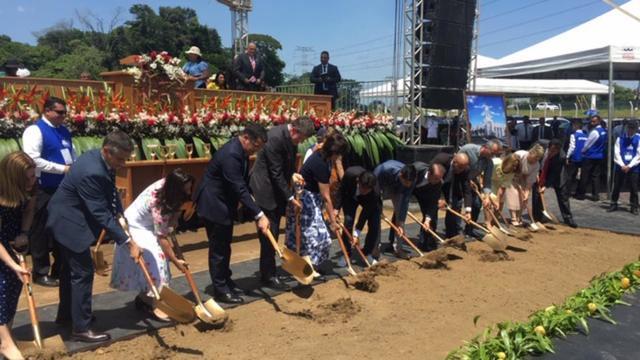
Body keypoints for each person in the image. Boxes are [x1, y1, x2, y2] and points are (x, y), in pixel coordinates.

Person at [47, 130, 140, 343]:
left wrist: (119, 213)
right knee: (82, 273)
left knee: (70, 271)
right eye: (120, 159)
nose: (123, 164)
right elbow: (99, 213)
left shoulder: (97, 158)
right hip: (68, 223)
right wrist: (127, 241)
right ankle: (81, 328)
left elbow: (109, 188)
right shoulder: (92, 171)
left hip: (67, 218)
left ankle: (68, 315)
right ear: (107, 151)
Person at [194, 123, 269, 304]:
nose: (255, 151)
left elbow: (242, 184)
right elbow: (238, 187)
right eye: (256, 146)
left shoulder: (240, 151)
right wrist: (259, 214)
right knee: (218, 248)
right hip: (213, 204)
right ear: (246, 138)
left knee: (225, 245)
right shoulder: (231, 154)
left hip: (223, 203)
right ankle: (220, 289)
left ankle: (226, 280)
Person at [111, 169, 194, 321]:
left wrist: (174, 219)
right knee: (158, 259)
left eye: (189, 187)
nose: (189, 191)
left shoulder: (171, 187)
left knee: (159, 260)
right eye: (186, 189)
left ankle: (144, 299)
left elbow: (175, 208)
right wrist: (176, 261)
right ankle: (154, 302)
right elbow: (162, 237)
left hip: (151, 223)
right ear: (175, 188)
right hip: (136, 225)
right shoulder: (156, 201)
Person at [249, 117, 315, 290]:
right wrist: (290, 198)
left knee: (275, 230)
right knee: (270, 232)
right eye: (300, 139)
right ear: (294, 130)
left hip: (276, 189)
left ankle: (270, 271)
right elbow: (275, 172)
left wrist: (293, 174)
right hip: (265, 189)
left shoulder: (290, 138)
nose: (300, 142)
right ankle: (268, 276)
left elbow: (287, 165)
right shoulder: (275, 138)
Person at [22, 96, 74, 287]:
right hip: (44, 187)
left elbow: (70, 154)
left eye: (65, 113)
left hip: (64, 188)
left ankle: (59, 269)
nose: (63, 116)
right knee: (41, 230)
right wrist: (62, 169)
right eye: (60, 112)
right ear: (47, 111)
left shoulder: (64, 131)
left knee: (63, 229)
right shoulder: (35, 130)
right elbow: (32, 159)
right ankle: (40, 271)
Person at [285, 132, 348, 272]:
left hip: (312, 199)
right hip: (304, 200)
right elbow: (326, 197)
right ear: (334, 152)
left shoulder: (323, 155)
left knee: (311, 238)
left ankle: (310, 266)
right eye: (339, 154)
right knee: (319, 237)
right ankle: (306, 267)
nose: (339, 157)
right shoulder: (319, 164)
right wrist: (332, 220)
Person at [0, 152, 37, 360]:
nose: (33, 181)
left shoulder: (30, 187)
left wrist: (24, 232)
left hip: (12, 241)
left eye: (33, 176)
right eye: (28, 178)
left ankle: (6, 339)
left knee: (13, 287)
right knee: (2, 288)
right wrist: (12, 265)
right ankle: (6, 345)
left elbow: (30, 208)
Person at [374, 160, 418, 258]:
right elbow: (375, 192)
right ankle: (376, 248)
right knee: (376, 217)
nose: (408, 185)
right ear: (401, 175)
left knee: (400, 221)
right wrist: (378, 207)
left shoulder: (412, 180)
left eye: (409, 183)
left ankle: (399, 248)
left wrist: (401, 221)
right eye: (406, 182)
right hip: (380, 183)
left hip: (398, 189)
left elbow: (405, 201)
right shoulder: (383, 170)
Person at [457, 140, 501, 236]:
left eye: (495, 154)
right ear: (485, 148)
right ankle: (453, 232)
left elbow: (487, 181)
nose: (493, 156)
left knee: (477, 203)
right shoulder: (468, 149)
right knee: (457, 204)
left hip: (472, 180)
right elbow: (456, 163)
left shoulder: (489, 162)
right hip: (458, 179)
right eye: (492, 153)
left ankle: (469, 229)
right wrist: (466, 179)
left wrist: (487, 196)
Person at [337, 166, 381, 264]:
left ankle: (367, 252)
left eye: (367, 190)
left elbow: (364, 214)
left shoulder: (375, 192)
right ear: (358, 181)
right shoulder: (350, 174)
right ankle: (346, 255)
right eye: (362, 188)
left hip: (368, 202)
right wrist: (337, 208)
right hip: (350, 197)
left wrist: (356, 233)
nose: (364, 191)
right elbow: (341, 190)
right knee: (348, 221)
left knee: (374, 223)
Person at [533, 139, 577, 228]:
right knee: (537, 194)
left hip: (558, 176)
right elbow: (533, 158)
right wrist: (535, 172)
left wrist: (546, 185)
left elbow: (554, 173)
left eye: (555, 152)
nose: (552, 153)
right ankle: (537, 217)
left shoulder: (561, 157)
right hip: (539, 171)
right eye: (551, 151)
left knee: (563, 197)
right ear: (548, 148)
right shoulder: (539, 146)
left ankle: (568, 219)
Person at [431, 153, 472, 238]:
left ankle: (451, 235)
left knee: (455, 206)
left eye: (463, 168)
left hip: (451, 184)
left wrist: (468, 210)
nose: (461, 170)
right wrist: (439, 198)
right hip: (435, 184)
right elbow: (430, 175)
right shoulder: (441, 160)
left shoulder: (465, 169)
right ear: (454, 162)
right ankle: (429, 235)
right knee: (432, 208)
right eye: (460, 167)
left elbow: (466, 189)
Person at [507, 144, 544, 226]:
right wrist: (516, 180)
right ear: (531, 152)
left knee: (524, 198)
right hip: (512, 175)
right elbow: (509, 166)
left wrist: (526, 192)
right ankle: (513, 218)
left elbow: (530, 180)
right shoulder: (520, 155)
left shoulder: (536, 165)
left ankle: (519, 217)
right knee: (514, 194)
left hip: (524, 178)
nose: (536, 159)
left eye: (538, 158)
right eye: (535, 157)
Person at [412, 161, 446, 251]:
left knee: (432, 216)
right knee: (399, 214)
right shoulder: (417, 169)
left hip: (426, 193)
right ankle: (393, 243)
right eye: (436, 178)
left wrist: (427, 219)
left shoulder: (438, 183)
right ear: (429, 173)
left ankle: (425, 243)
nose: (438, 181)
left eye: (440, 179)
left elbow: (433, 203)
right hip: (410, 187)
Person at [608, 120, 640, 214]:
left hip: (634, 167)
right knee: (617, 186)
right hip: (620, 166)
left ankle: (634, 206)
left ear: (636, 129)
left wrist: (629, 166)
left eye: (633, 128)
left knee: (633, 187)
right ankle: (614, 203)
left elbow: (638, 155)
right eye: (629, 128)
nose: (631, 130)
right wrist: (622, 165)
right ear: (627, 128)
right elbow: (616, 153)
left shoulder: (638, 139)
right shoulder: (620, 139)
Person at [576, 115, 607, 201]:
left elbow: (587, 144)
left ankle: (581, 194)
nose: (592, 123)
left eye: (594, 121)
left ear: (598, 121)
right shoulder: (604, 131)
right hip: (599, 156)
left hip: (590, 156)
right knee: (596, 176)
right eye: (591, 121)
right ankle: (595, 195)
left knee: (584, 175)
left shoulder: (595, 132)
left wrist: (582, 151)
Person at [565, 119, 587, 198]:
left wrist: (567, 156)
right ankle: (580, 193)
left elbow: (572, 147)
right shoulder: (586, 135)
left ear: (575, 126)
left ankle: (567, 192)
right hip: (584, 158)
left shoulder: (573, 135)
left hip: (575, 158)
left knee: (570, 176)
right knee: (582, 176)